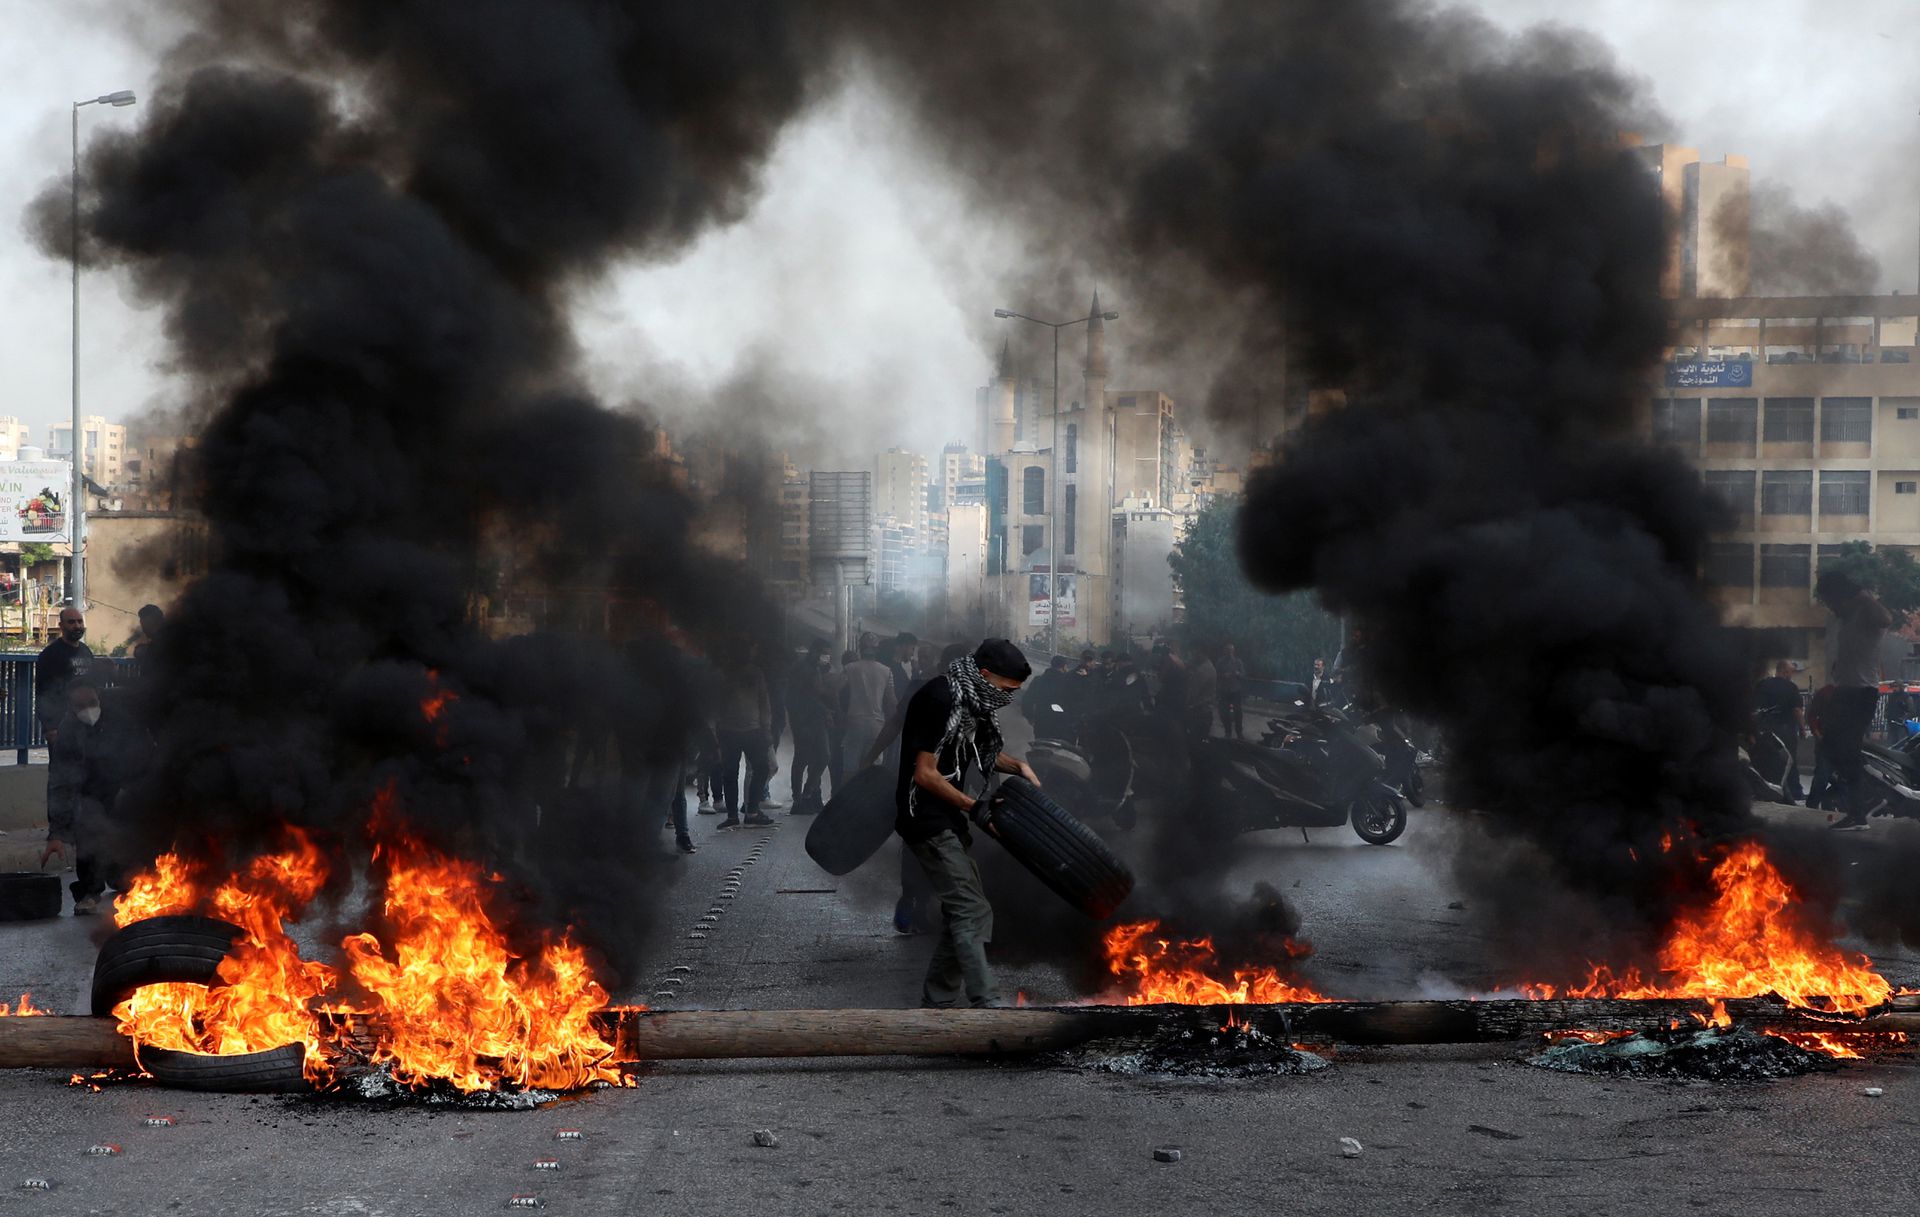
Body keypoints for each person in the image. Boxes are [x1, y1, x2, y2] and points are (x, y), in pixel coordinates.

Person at [895, 639, 1039, 1008]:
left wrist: (1018, 765)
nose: (1008, 698)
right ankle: (985, 1000)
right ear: (986, 675)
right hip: (924, 819)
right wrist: (975, 808)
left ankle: (938, 999)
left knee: (963, 910)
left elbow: (973, 750)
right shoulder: (939, 698)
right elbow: (925, 775)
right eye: (1007, 689)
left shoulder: (966, 699)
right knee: (970, 909)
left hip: (945, 820)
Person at [43, 683, 149, 914]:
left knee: (128, 836)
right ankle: (89, 892)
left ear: (99, 698)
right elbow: (60, 782)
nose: (88, 710)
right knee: (88, 830)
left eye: (91, 703)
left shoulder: (121, 721)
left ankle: (126, 878)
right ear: (71, 707)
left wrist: (132, 788)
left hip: (122, 785)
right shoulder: (68, 731)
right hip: (89, 791)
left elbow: (142, 756)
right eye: (80, 706)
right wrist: (56, 833)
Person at [1817, 569, 1892, 830]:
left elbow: (1886, 618)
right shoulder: (1844, 619)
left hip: (1861, 693)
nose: (1829, 605)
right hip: (1845, 691)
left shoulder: (1865, 611)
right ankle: (1860, 801)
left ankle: (1858, 814)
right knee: (1830, 746)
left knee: (1846, 749)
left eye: (1830, 599)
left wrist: (1863, 597)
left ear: (1842, 595)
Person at [713, 648, 775, 830]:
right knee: (760, 768)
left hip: (731, 730)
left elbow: (715, 701)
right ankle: (752, 812)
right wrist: (766, 728)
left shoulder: (724, 672)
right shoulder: (754, 672)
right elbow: (764, 702)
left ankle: (735, 815)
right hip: (750, 729)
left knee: (732, 773)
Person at [785, 641, 835, 814]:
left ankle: (807, 792)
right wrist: (798, 722)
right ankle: (798, 799)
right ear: (814, 652)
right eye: (823, 653)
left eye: (828, 654)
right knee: (802, 759)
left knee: (823, 756)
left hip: (817, 719)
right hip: (804, 720)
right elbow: (797, 698)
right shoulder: (801, 669)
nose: (826, 657)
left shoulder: (816, 669)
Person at [839, 640, 897, 776]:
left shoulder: (850, 668)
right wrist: (892, 725)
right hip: (877, 725)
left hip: (854, 723)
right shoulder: (886, 671)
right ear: (876, 650)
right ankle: (868, 797)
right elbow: (892, 702)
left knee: (849, 769)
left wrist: (839, 713)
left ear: (860, 649)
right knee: (873, 771)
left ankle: (847, 797)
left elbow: (835, 689)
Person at [1752, 660, 1804, 803]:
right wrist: (1802, 729)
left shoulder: (1762, 685)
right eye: (1791, 672)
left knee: (1765, 760)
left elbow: (1753, 706)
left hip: (1764, 730)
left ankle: (1766, 789)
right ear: (1784, 671)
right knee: (1789, 762)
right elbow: (1797, 710)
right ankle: (1795, 793)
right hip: (1786, 730)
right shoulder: (1791, 687)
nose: (1791, 676)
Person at [1804, 683, 1839, 811]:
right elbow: (1812, 715)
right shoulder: (1825, 692)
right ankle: (1813, 805)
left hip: (1842, 741)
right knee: (1822, 775)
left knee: (1840, 777)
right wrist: (1818, 734)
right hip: (1826, 740)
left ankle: (1828, 802)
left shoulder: (1851, 693)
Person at [1186, 644, 1217, 739]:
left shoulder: (1203, 670)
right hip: (1205, 711)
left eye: (1196, 653)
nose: (1195, 655)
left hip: (1199, 712)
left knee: (1195, 741)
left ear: (1202, 653)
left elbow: (1192, 692)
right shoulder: (1209, 666)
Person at [1216, 642, 1247, 739]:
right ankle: (1227, 732)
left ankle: (1239, 733)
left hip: (1235, 690)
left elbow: (1243, 675)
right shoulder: (1220, 662)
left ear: (1233, 651)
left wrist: (1237, 674)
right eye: (1227, 650)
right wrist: (1223, 676)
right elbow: (1216, 675)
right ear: (1224, 651)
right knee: (1224, 713)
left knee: (1238, 712)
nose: (1229, 652)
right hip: (1224, 690)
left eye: (1231, 650)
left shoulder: (1238, 662)